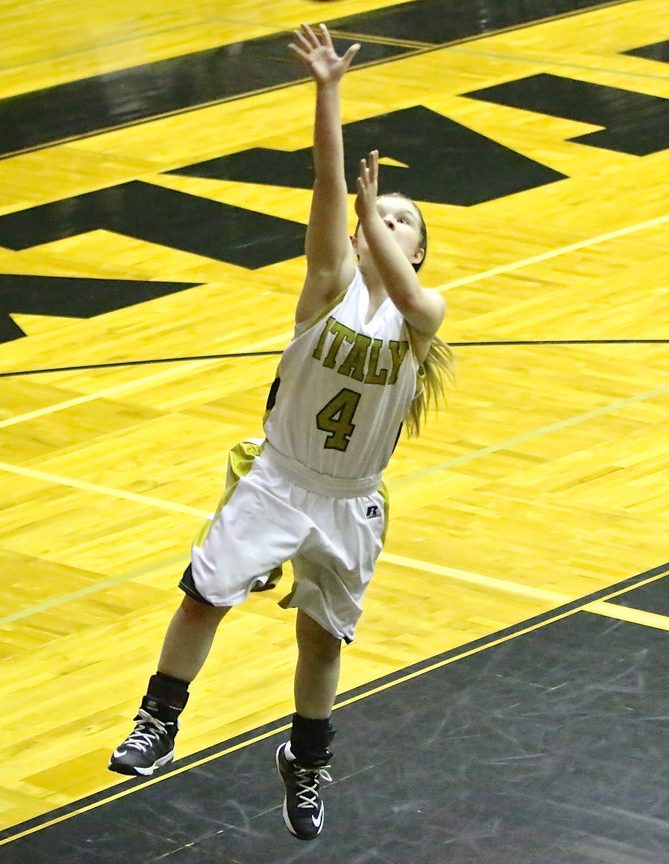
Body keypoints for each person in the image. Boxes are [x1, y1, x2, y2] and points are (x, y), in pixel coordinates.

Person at [108, 23, 452, 842]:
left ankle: (306, 758)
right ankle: (159, 718)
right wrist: (327, 92)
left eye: (402, 221)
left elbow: (410, 293)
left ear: (417, 253)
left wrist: (371, 213)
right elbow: (327, 185)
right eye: (381, 212)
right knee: (204, 597)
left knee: (321, 643)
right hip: (281, 478)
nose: (385, 220)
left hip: (350, 500)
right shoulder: (328, 287)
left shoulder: (422, 318)